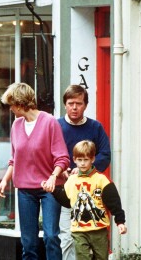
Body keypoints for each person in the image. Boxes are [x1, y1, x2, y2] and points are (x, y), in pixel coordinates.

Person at [0, 82, 70, 260]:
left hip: (50, 189)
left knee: (51, 236)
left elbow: (62, 158)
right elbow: (15, 158)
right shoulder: (16, 126)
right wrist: (5, 180)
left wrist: (53, 177)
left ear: (21, 103)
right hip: (25, 190)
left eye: (12, 104)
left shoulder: (49, 122)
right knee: (28, 242)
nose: (11, 108)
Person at [58, 84, 111, 260]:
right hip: (64, 191)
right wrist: (61, 170)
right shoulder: (56, 126)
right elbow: (46, 153)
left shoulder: (95, 127)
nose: (74, 107)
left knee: (95, 241)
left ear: (85, 105)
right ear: (65, 104)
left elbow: (105, 154)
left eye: (79, 103)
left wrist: (84, 170)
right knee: (66, 238)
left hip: (92, 194)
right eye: (71, 103)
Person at [50, 140, 127, 260]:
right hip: (78, 230)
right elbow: (67, 201)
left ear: (92, 159)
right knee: (82, 257)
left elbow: (114, 202)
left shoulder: (102, 180)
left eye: (86, 160)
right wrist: (53, 190)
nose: (82, 163)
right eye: (79, 160)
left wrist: (120, 221)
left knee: (101, 257)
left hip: (99, 230)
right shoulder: (71, 180)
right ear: (74, 159)